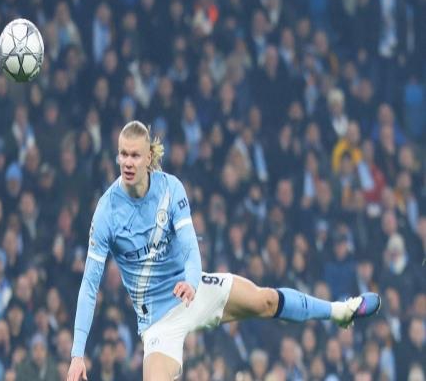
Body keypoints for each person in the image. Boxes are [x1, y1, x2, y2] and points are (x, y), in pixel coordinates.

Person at [67, 120, 381, 381]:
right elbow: (89, 285)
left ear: (149, 157)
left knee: (266, 300)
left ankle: (340, 312)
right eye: (123, 154)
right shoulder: (106, 211)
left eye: (135, 155)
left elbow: (190, 247)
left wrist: (192, 281)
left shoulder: (170, 189)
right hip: (159, 321)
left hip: (192, 289)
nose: (127, 162)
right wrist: (77, 354)